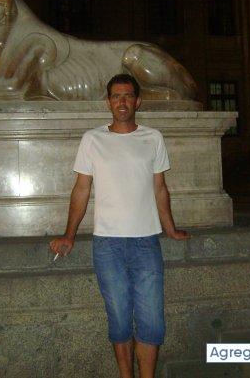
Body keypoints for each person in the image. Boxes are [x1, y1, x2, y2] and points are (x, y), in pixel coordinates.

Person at [50, 74, 189, 378]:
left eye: (127, 96)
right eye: (116, 96)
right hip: (108, 244)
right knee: (119, 319)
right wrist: (69, 235)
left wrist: (170, 229)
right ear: (108, 102)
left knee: (152, 320)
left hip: (146, 242)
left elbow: (160, 188)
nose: (122, 101)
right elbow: (81, 189)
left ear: (137, 101)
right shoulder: (92, 139)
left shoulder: (153, 138)